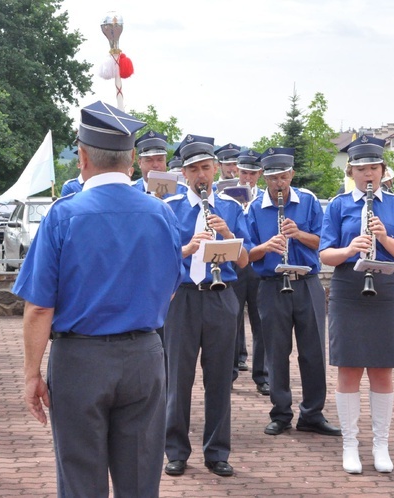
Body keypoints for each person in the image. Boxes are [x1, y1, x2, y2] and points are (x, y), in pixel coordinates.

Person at [14, 101, 184, 497]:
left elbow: (40, 306)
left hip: (81, 361)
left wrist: (31, 373)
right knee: (141, 480)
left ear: (83, 156)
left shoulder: (63, 215)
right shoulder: (161, 213)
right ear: (131, 160)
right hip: (144, 353)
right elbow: (171, 285)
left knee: (81, 481)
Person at [320, 135, 394, 474]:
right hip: (348, 287)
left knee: (381, 368)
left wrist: (385, 237)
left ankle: (380, 444)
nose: (367, 174)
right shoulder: (337, 204)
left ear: (382, 169)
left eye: (373, 168)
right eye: (360, 169)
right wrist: (349, 250)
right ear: (352, 171)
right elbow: (325, 253)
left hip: (385, 286)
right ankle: (350, 444)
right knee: (348, 367)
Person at [163, 134, 250, 478]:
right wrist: (188, 247)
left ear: (215, 169)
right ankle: (176, 451)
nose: (201, 175)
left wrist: (227, 232)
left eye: (206, 168)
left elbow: (244, 261)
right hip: (182, 298)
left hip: (221, 296)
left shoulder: (230, 206)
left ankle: (216, 452)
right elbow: (159, 257)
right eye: (194, 169)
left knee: (218, 379)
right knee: (178, 379)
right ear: (184, 174)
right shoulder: (170, 208)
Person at [246, 147, 340, 439]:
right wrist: (267, 246)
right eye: (273, 178)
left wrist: (297, 233)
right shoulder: (254, 208)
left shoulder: (309, 201)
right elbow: (246, 254)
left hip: (307, 282)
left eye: (284, 177)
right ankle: (281, 413)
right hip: (272, 285)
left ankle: (312, 414)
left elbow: (322, 245)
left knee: (313, 351)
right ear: (265, 179)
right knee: (276, 352)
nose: (279, 183)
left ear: (292, 175)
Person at [231, 149, 269, 395]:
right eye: (244, 172)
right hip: (233, 265)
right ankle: (230, 370)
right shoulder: (225, 196)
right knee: (230, 321)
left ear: (260, 174)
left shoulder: (265, 198)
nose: (247, 178)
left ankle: (263, 375)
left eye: (253, 173)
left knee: (261, 322)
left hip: (257, 265)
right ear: (237, 171)